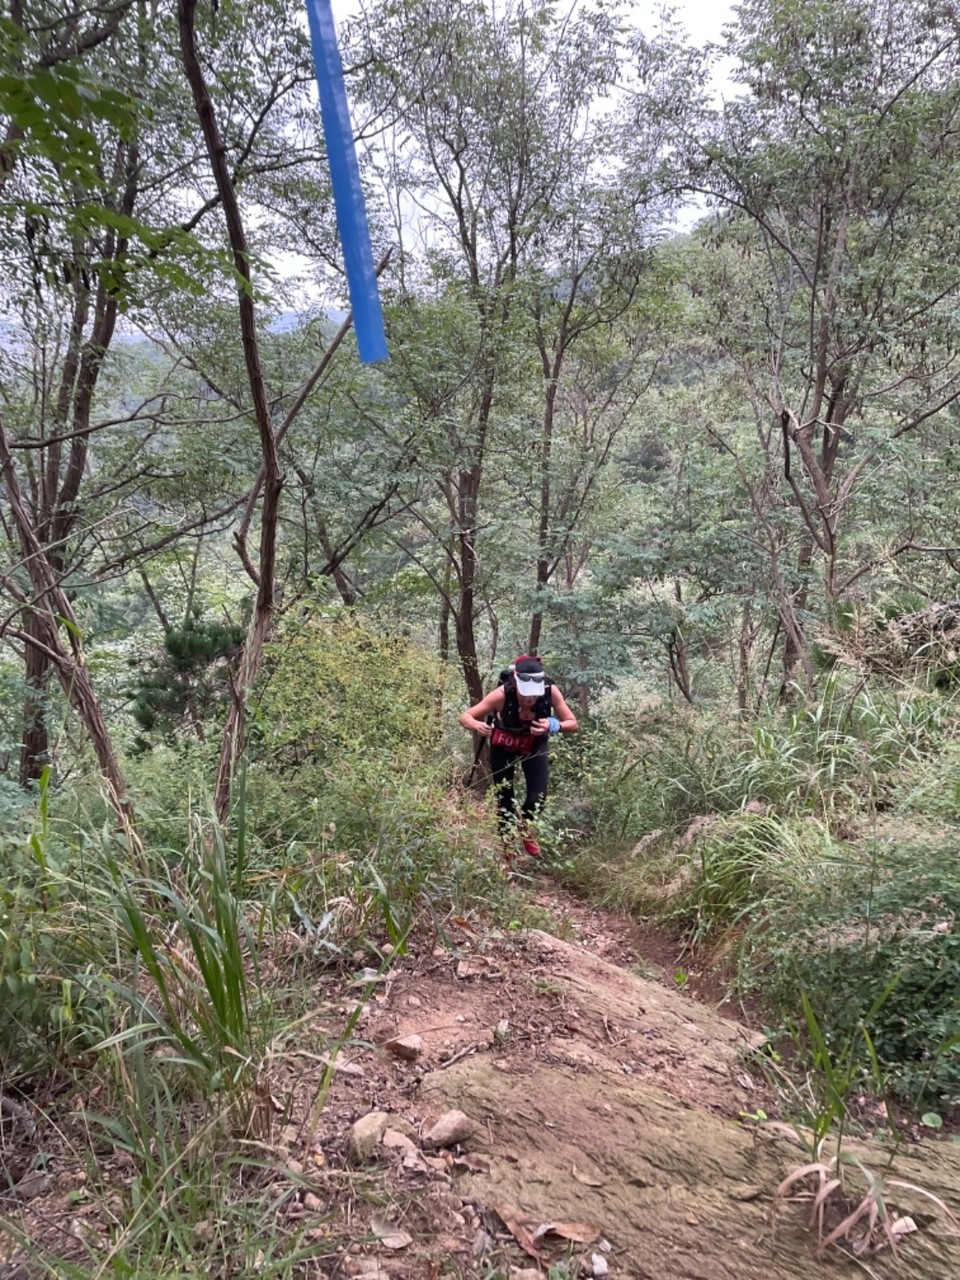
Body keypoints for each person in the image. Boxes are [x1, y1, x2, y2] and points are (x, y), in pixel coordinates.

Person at [459, 655, 578, 856]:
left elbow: (573, 723)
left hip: (534, 743)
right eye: (525, 693)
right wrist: (477, 725)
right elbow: (465, 716)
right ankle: (508, 844)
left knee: (538, 797)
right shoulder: (501, 695)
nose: (530, 699)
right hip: (503, 744)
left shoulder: (550, 691)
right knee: (504, 797)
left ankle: (525, 827)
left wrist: (554, 725)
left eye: (534, 694)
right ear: (516, 684)